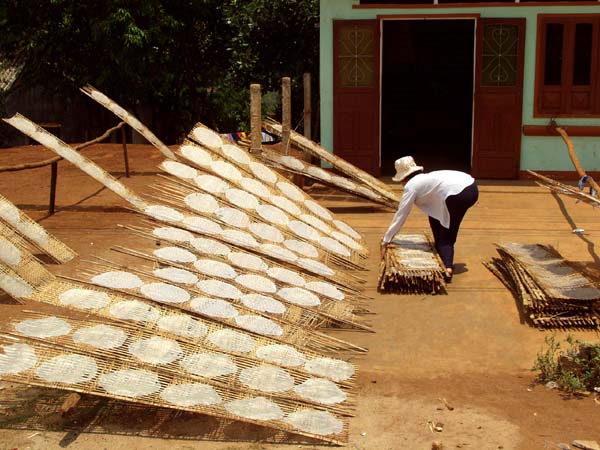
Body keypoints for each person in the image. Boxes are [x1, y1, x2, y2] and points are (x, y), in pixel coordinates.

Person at [381, 156, 479, 281]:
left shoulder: (411, 186)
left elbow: (402, 214)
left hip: (457, 194)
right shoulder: (426, 178)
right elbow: (433, 205)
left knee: (446, 236)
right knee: (434, 216)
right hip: (471, 187)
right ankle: (441, 250)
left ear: (404, 177)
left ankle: (447, 268)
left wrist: (387, 238)